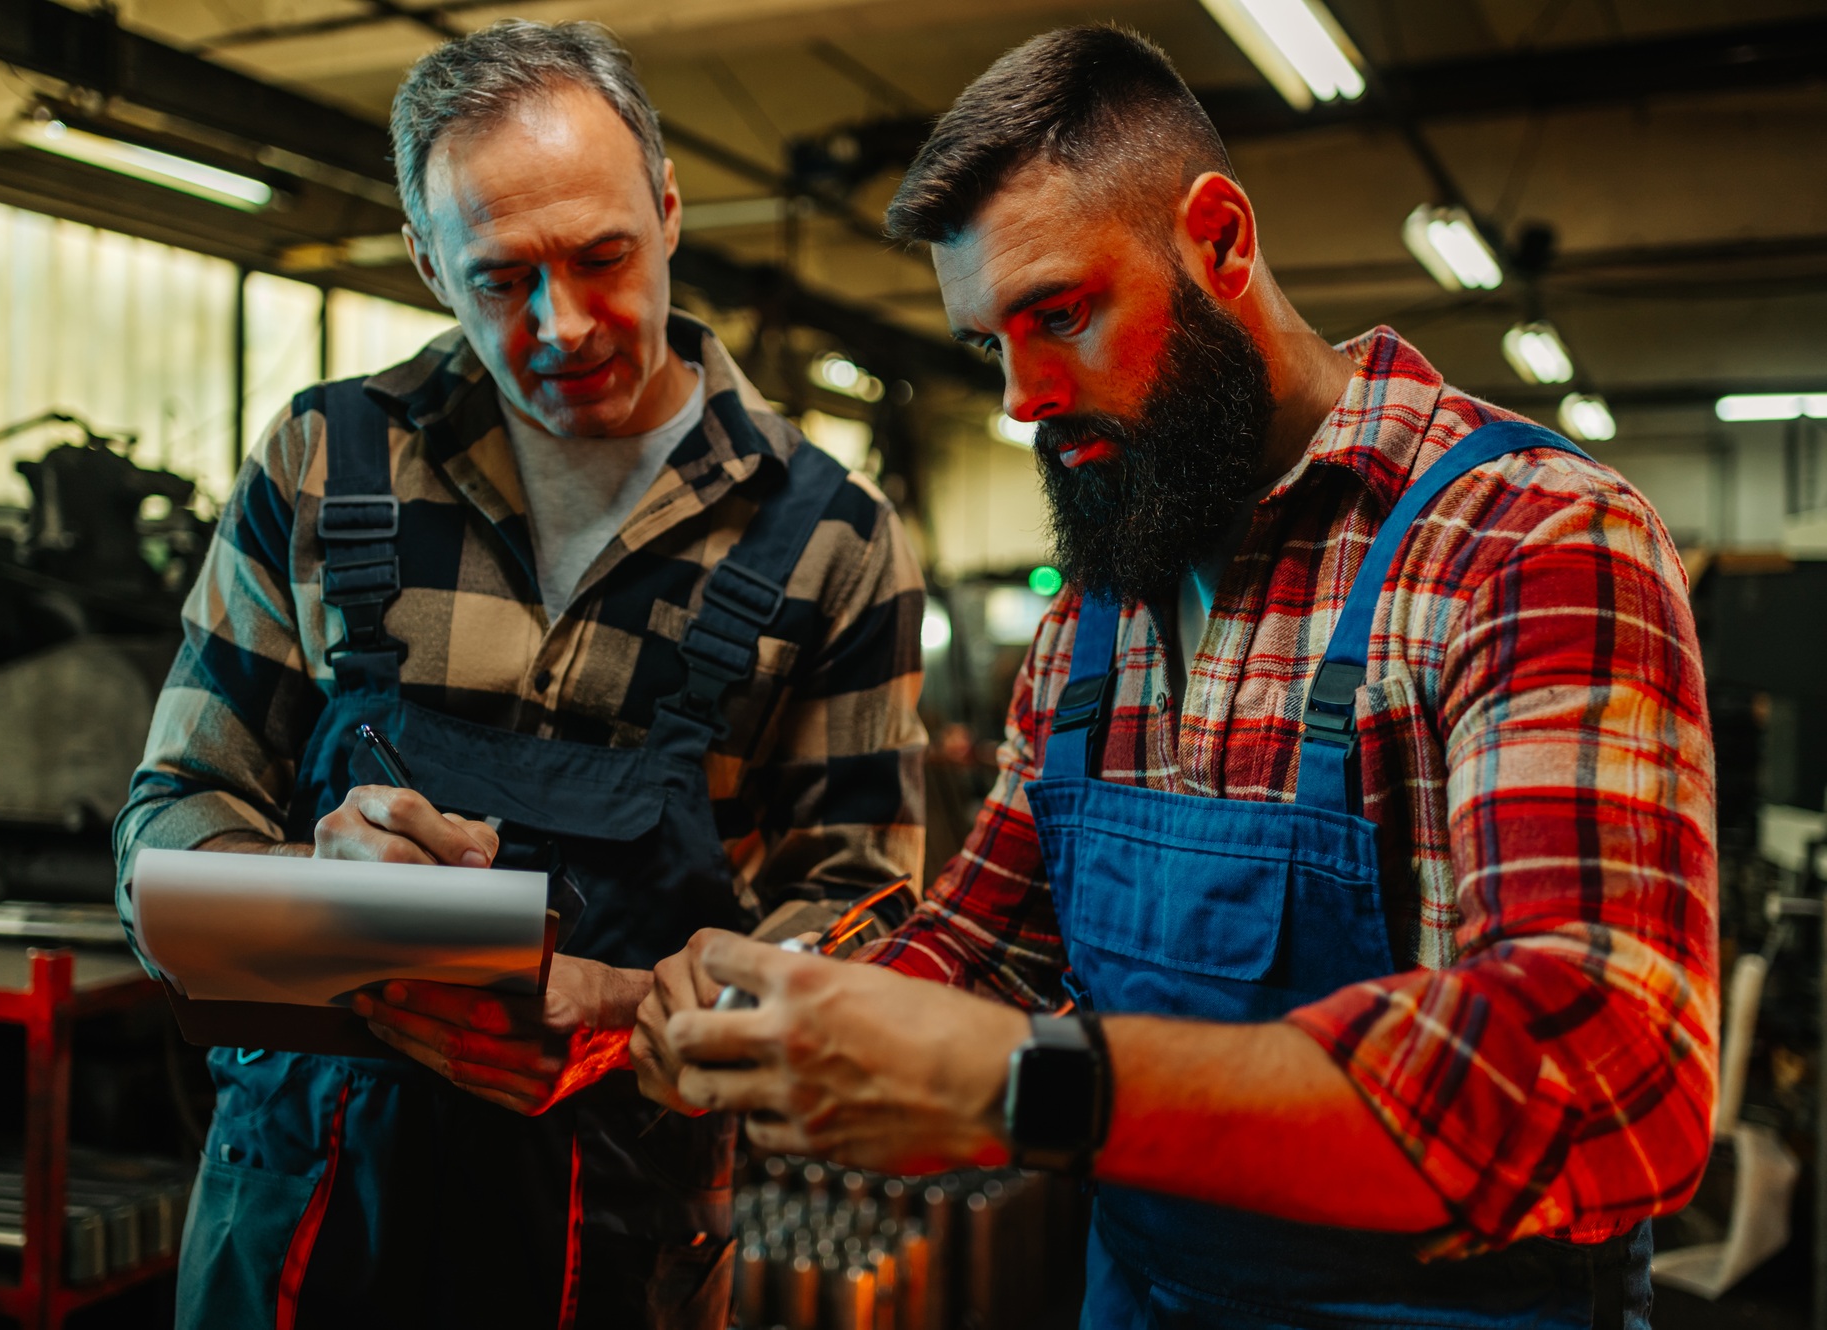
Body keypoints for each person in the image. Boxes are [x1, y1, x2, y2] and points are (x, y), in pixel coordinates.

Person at [635, 24, 1715, 1329]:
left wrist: (1040, 1085)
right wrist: (787, 1004)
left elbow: (1609, 1073)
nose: (1025, 399)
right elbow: (995, 944)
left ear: (1219, 242)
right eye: (990, 346)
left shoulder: (1525, 544)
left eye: (1062, 314)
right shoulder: (1102, 605)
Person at [113, 19, 926, 1330]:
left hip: (618, 1232)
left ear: (668, 212)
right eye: (500, 278)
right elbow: (169, 825)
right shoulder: (327, 464)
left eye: (604, 257)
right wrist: (320, 905)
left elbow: (864, 919)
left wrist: (635, 1006)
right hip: (301, 1223)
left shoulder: (831, 537)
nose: (564, 325)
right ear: (430, 265)